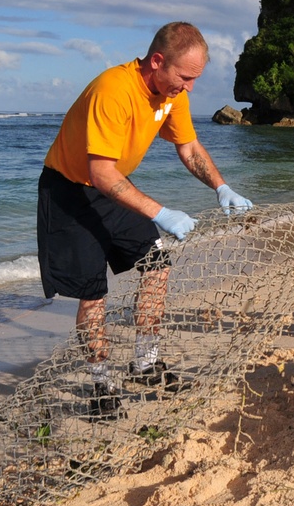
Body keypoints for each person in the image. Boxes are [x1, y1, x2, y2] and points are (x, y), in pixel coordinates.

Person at [37, 21, 252, 416]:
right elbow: (99, 173)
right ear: (158, 61)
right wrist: (161, 212)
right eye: (185, 77)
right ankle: (101, 383)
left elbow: (189, 147)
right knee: (93, 292)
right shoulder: (113, 90)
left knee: (156, 265)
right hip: (70, 190)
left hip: (114, 184)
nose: (189, 88)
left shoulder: (173, 92)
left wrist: (221, 187)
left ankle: (146, 363)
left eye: (194, 79)